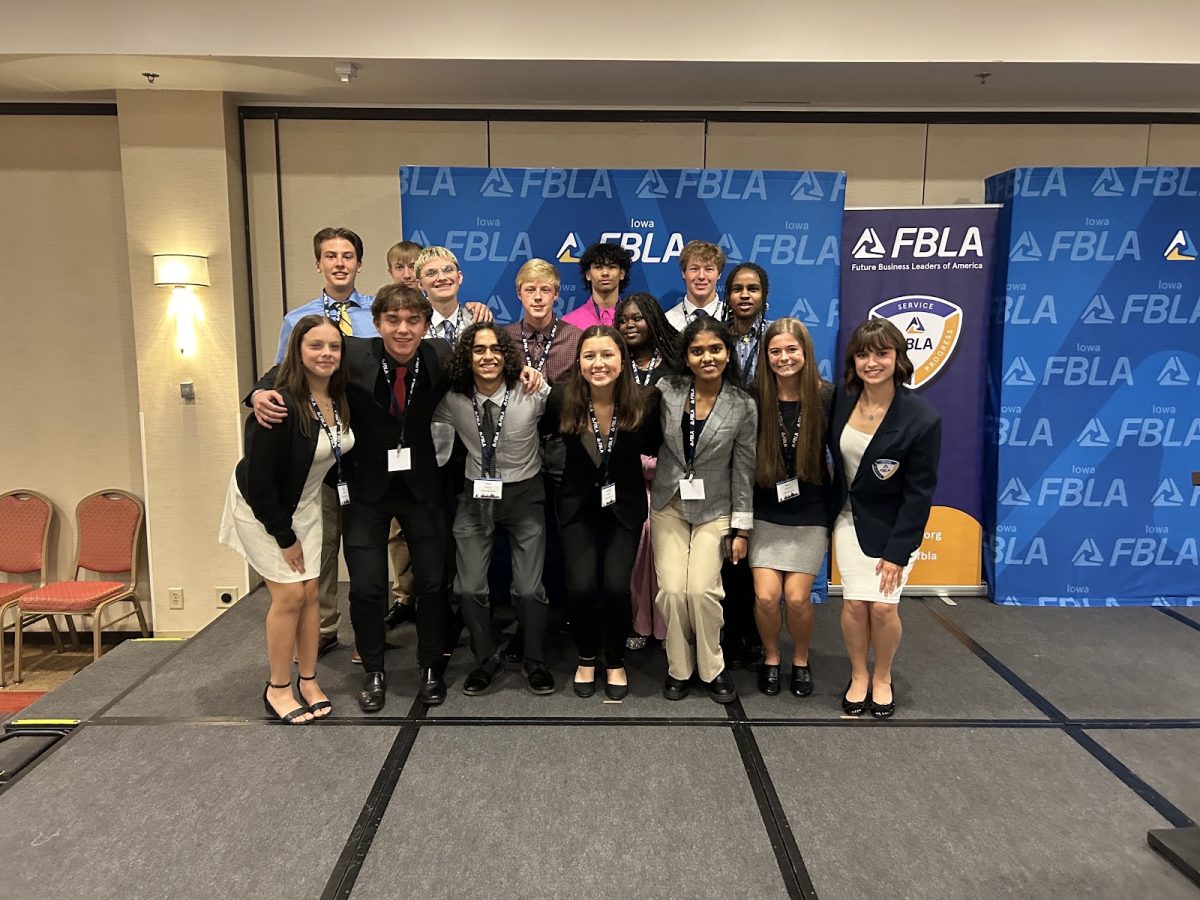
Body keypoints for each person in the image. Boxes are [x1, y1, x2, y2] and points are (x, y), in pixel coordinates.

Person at [251, 285, 464, 711]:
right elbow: (298, 364)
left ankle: (429, 667)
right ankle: (374, 669)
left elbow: (488, 366)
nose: (403, 330)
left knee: (432, 582)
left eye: (413, 321)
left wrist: (527, 375)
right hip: (366, 489)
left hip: (423, 488)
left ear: (425, 324)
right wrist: (257, 392)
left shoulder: (442, 354)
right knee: (366, 587)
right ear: (378, 322)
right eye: (393, 321)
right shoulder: (353, 352)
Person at [220, 315, 354, 723]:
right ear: (297, 351)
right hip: (264, 509)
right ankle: (278, 687)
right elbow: (260, 484)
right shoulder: (277, 403)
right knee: (290, 595)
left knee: (311, 592)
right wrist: (283, 535)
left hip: (307, 504)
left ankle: (309, 679)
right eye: (315, 346)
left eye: (333, 346)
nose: (326, 354)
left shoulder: (340, 396)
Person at [433, 324, 555, 696]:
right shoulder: (453, 399)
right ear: (466, 357)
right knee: (468, 589)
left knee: (530, 589)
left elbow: (565, 416)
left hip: (525, 495)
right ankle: (485, 658)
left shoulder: (532, 391)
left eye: (495, 349)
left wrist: (538, 376)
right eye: (478, 350)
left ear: (506, 355)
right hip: (475, 496)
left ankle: (534, 659)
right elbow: (432, 433)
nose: (487, 356)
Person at [829, 318, 941, 719]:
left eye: (881, 353)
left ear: (898, 357)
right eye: (863, 354)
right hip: (847, 518)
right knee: (856, 605)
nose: (871, 362)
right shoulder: (840, 399)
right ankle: (859, 675)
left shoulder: (921, 418)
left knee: (883, 608)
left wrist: (898, 551)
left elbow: (919, 493)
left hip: (895, 526)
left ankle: (883, 676)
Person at [543, 326, 662, 700]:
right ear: (578, 362)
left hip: (623, 508)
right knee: (579, 587)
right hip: (577, 506)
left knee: (614, 586)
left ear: (622, 360)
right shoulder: (561, 399)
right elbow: (546, 439)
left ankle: (614, 660)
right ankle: (585, 657)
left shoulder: (644, 401)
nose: (599, 363)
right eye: (590, 356)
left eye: (608, 355)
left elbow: (656, 446)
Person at [271, 227, 374, 657]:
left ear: (358, 264)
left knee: (365, 543)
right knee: (324, 541)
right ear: (318, 263)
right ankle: (327, 626)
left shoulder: (376, 312)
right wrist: (257, 395)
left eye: (347, 255)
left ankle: (370, 628)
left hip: (363, 444)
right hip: (318, 452)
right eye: (330, 256)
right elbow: (278, 377)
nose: (339, 263)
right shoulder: (299, 319)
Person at [651, 317, 756, 703]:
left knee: (702, 591)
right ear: (686, 356)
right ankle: (679, 667)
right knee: (672, 591)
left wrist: (741, 529)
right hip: (668, 504)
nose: (707, 357)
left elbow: (744, 468)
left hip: (716, 509)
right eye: (697, 351)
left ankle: (713, 666)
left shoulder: (743, 404)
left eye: (715, 349)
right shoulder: (667, 390)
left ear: (728, 354)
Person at [749, 318, 833, 697]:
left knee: (798, 598)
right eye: (776, 351)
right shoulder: (754, 398)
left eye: (792, 350)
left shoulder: (828, 397)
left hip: (810, 511)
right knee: (767, 597)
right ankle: (770, 657)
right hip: (764, 510)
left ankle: (800, 659)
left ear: (806, 353)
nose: (784, 358)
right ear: (766, 356)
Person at [616, 292, 679, 649]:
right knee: (632, 553)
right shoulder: (612, 361)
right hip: (623, 475)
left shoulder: (673, 365)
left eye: (637, 318)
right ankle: (636, 622)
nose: (629, 325)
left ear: (653, 320)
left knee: (661, 554)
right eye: (623, 319)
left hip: (666, 474)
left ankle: (668, 625)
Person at [502, 258, 583, 384]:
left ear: (556, 294)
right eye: (530, 290)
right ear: (519, 294)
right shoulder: (504, 338)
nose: (538, 297)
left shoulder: (576, 339)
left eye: (545, 290)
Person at [415, 246, 492, 344]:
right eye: (431, 273)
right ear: (420, 284)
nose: (442, 278)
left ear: (459, 277)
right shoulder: (413, 322)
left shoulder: (478, 319)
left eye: (448, 270)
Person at [563, 242, 633, 329]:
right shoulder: (570, 323)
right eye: (598, 267)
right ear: (588, 274)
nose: (605, 273)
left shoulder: (634, 321)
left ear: (622, 274)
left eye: (611, 267)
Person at [665, 240, 727, 330]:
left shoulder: (732, 318)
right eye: (694, 269)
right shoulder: (668, 321)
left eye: (708, 269)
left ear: (719, 274)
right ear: (683, 273)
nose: (701, 276)